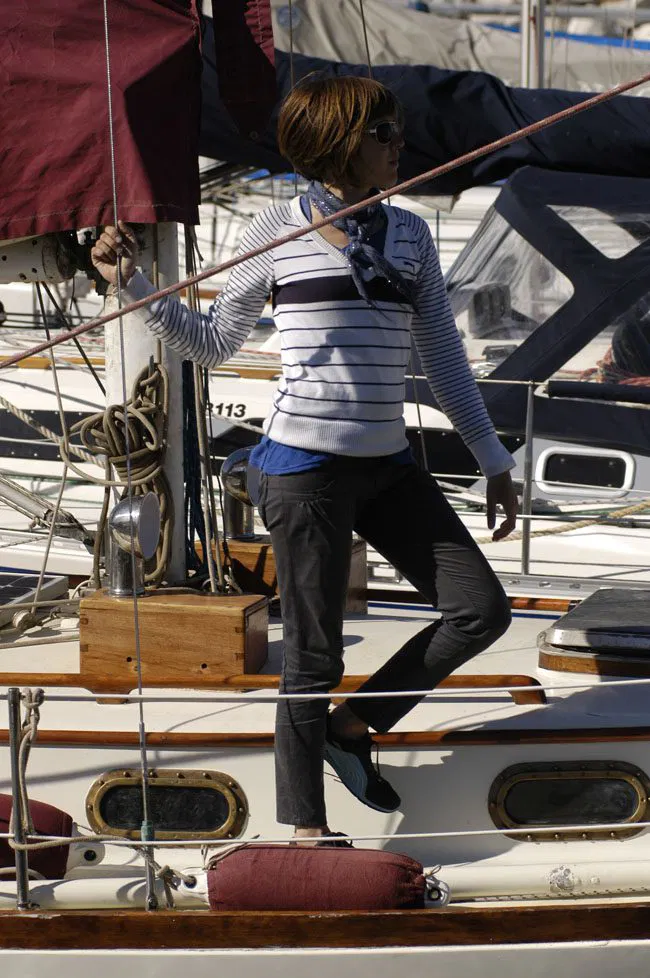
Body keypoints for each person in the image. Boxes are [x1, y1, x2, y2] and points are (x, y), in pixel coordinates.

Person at [92, 74, 518, 847]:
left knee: (480, 609)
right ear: (339, 144)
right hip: (303, 470)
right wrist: (136, 285)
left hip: (388, 466)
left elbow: (443, 358)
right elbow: (213, 343)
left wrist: (494, 460)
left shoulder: (410, 235)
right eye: (383, 133)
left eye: (395, 129)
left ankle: (351, 728)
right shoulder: (275, 230)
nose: (399, 144)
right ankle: (305, 829)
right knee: (312, 657)